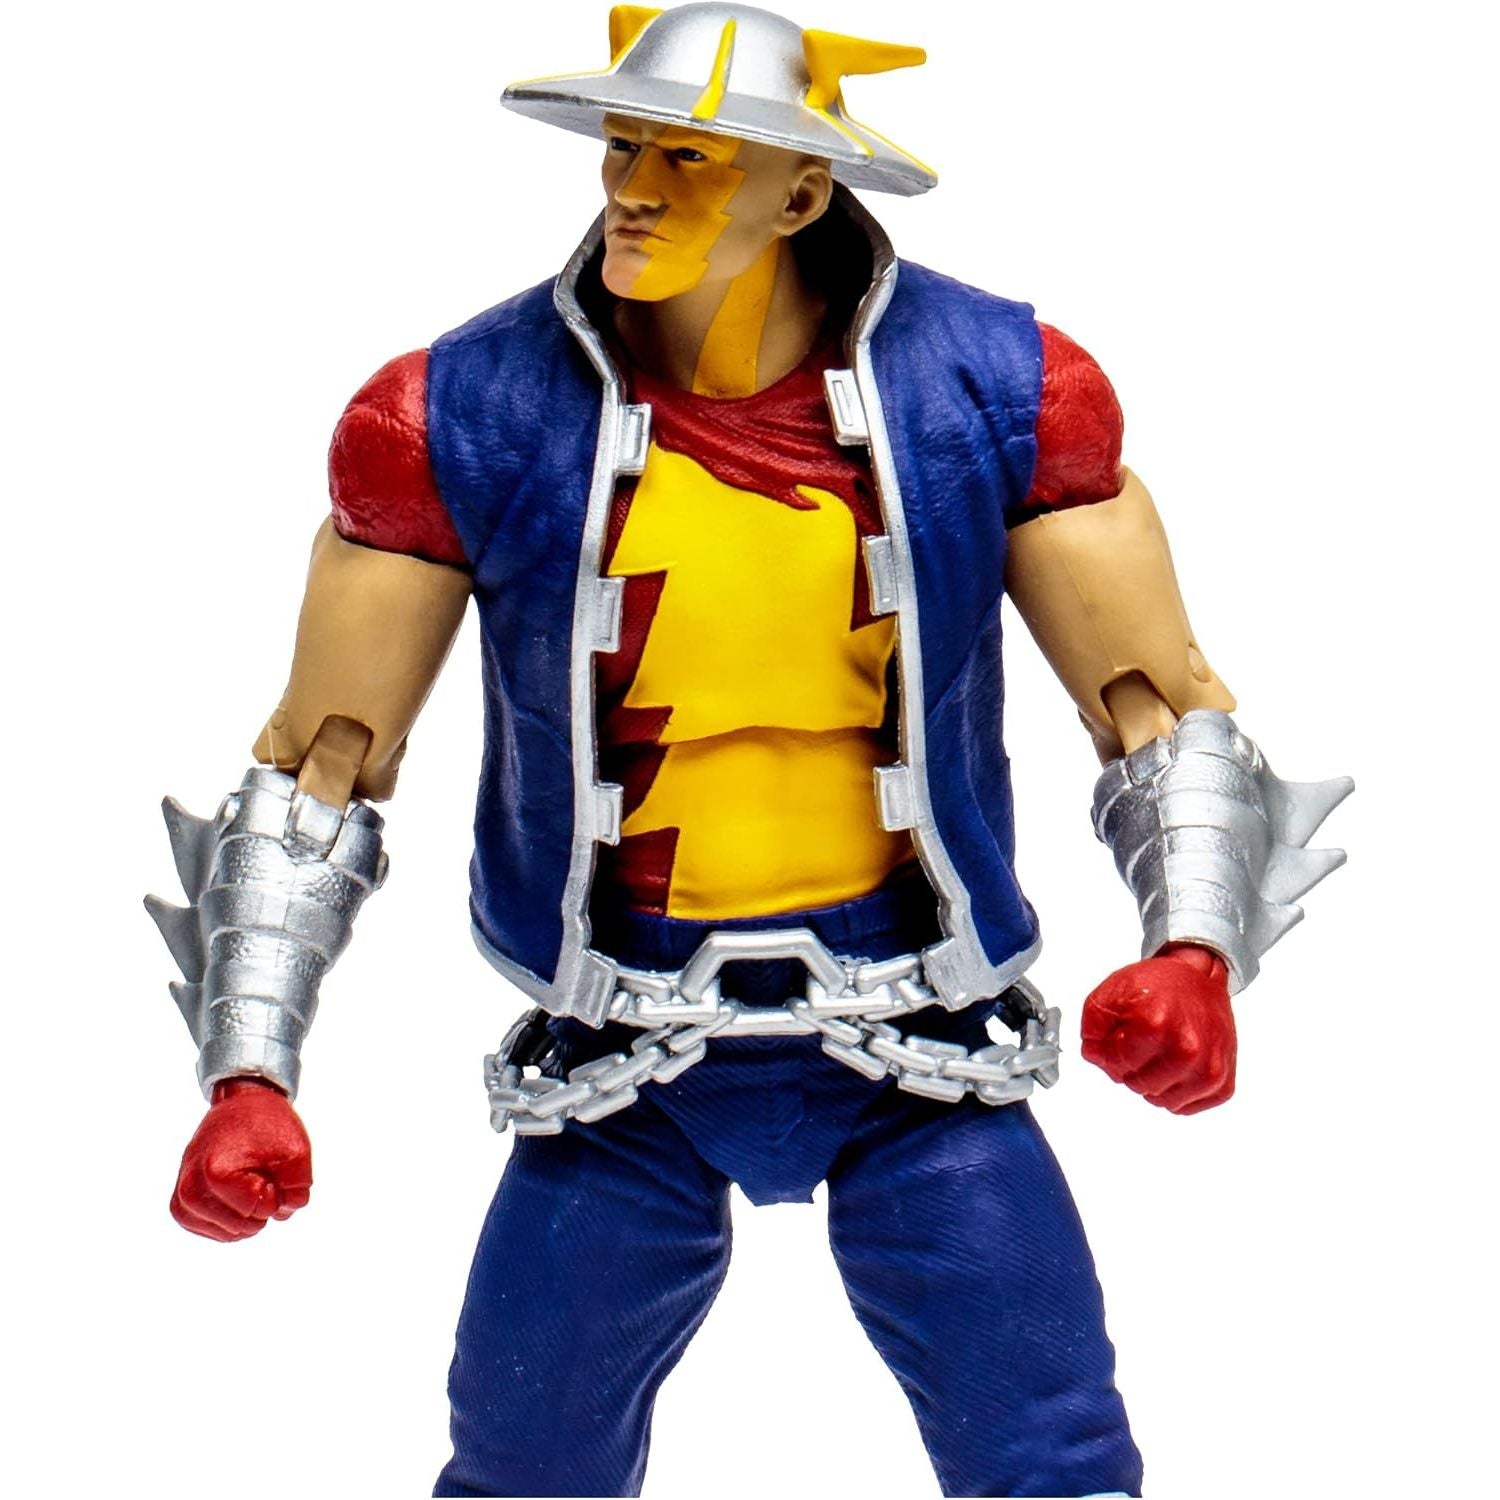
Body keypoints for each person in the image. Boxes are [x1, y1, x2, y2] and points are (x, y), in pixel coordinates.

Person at [149, 6, 1349, 1495]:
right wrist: (248, 1070)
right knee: (522, 1462)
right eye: (625, 147)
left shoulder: (1004, 391)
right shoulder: (453, 418)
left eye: (692, 159)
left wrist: (1194, 950)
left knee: (1051, 1453)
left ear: (802, 192)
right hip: (620, 1060)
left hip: (919, 1044)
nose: (634, 190)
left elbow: (1155, 706)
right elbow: (321, 766)